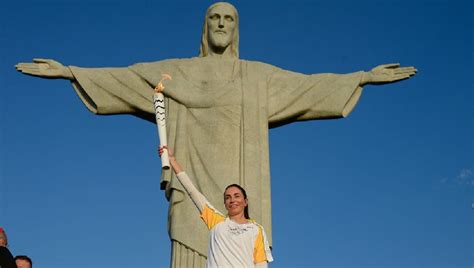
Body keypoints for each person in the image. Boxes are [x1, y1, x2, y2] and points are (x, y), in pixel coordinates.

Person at [15, 2, 416, 265]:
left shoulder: (256, 78)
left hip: (239, 185)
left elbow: (308, 87)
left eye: (229, 19)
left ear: (236, 28)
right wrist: (71, 71)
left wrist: (361, 77)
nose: (221, 24)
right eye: (214, 18)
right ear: (204, 27)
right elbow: (127, 78)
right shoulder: (176, 72)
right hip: (192, 191)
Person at [160, 146, 273, 268]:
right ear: (225, 203)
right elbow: (192, 191)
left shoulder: (256, 229)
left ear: (245, 201)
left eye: (237, 196)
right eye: (228, 197)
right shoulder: (216, 222)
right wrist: (172, 160)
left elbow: (261, 264)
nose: (232, 200)